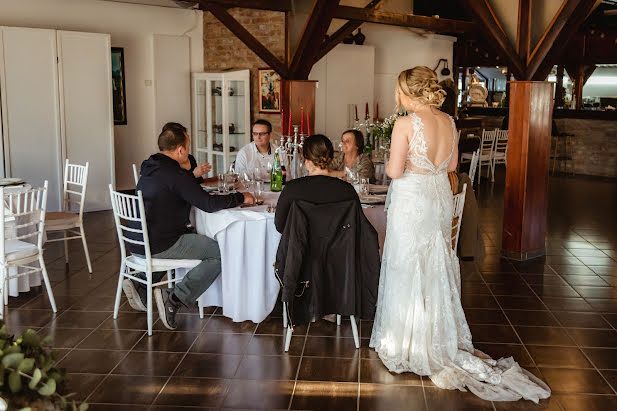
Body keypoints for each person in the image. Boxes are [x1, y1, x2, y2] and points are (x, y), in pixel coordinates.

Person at [369, 67, 551, 403]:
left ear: (408, 93)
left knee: (407, 265)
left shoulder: (405, 124)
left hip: (413, 200)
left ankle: (407, 342)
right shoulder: (449, 122)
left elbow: (394, 171)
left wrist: (405, 164)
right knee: (435, 261)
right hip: (438, 197)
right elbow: (452, 166)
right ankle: (432, 334)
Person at [123, 125, 254, 330]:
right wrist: (240, 197)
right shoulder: (176, 175)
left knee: (191, 234)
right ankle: (174, 298)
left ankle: (142, 281)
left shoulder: (151, 166)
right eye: (188, 146)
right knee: (219, 253)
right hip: (159, 243)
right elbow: (208, 204)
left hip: (136, 241)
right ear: (181, 151)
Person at [275, 134, 359, 233]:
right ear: (331, 158)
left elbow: (280, 225)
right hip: (338, 248)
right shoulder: (347, 190)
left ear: (306, 161)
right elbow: (356, 226)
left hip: (300, 247)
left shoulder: (292, 188)